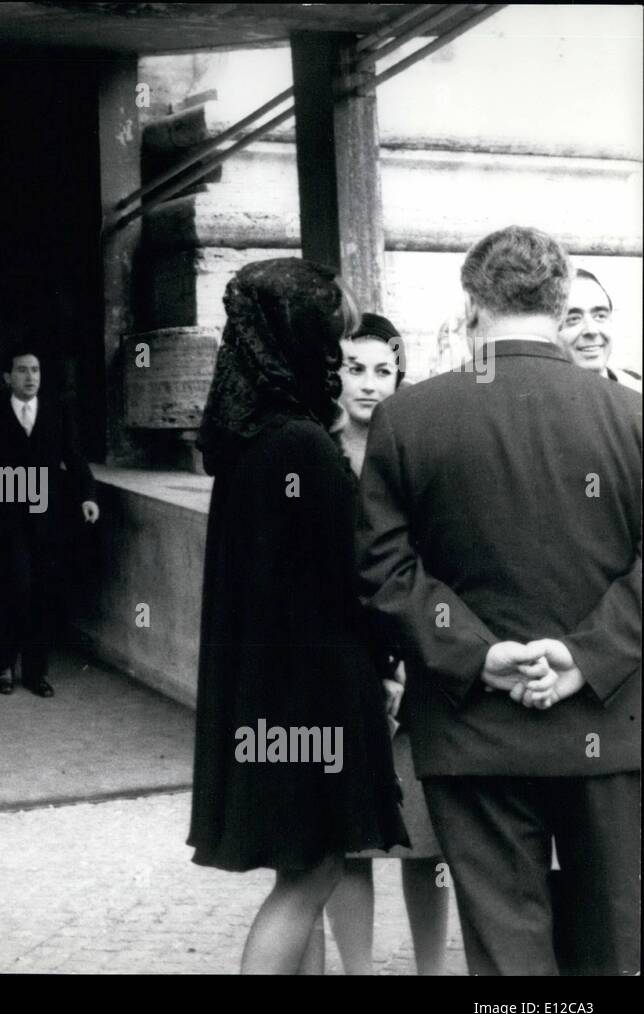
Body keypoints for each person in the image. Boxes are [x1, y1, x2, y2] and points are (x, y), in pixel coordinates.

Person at [358, 226, 641, 976]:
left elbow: (383, 570)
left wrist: (478, 656)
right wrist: (586, 657)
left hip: (471, 731)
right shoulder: (631, 418)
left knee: (507, 954)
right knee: (612, 946)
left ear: (473, 303)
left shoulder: (409, 419)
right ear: (560, 299)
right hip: (607, 730)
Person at [188, 259, 408, 974]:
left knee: (300, 872)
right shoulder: (303, 444)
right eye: (330, 342)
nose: (335, 362)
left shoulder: (246, 441)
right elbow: (356, 579)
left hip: (267, 696)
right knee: (313, 875)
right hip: (314, 693)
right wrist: (394, 658)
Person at [322, 313, 449, 976]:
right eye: (354, 367)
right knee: (351, 844)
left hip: (415, 671)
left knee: (424, 842)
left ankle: (431, 973)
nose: (369, 384)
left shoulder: (419, 451)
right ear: (333, 372)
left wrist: (403, 664)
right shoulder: (315, 455)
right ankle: (359, 973)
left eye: (383, 369)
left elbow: (434, 566)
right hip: (344, 674)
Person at [0, 348, 99, 698]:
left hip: (49, 519)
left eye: (35, 370)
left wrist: (87, 496)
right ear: (7, 377)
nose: (30, 377)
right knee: (17, 588)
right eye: (22, 370)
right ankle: (5, 666)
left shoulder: (57, 412)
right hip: (7, 518)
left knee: (44, 592)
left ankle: (36, 672)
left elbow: (74, 458)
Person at [558, 267, 642, 390]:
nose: (592, 330)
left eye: (600, 316)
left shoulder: (636, 391)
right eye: (573, 318)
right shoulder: (531, 400)